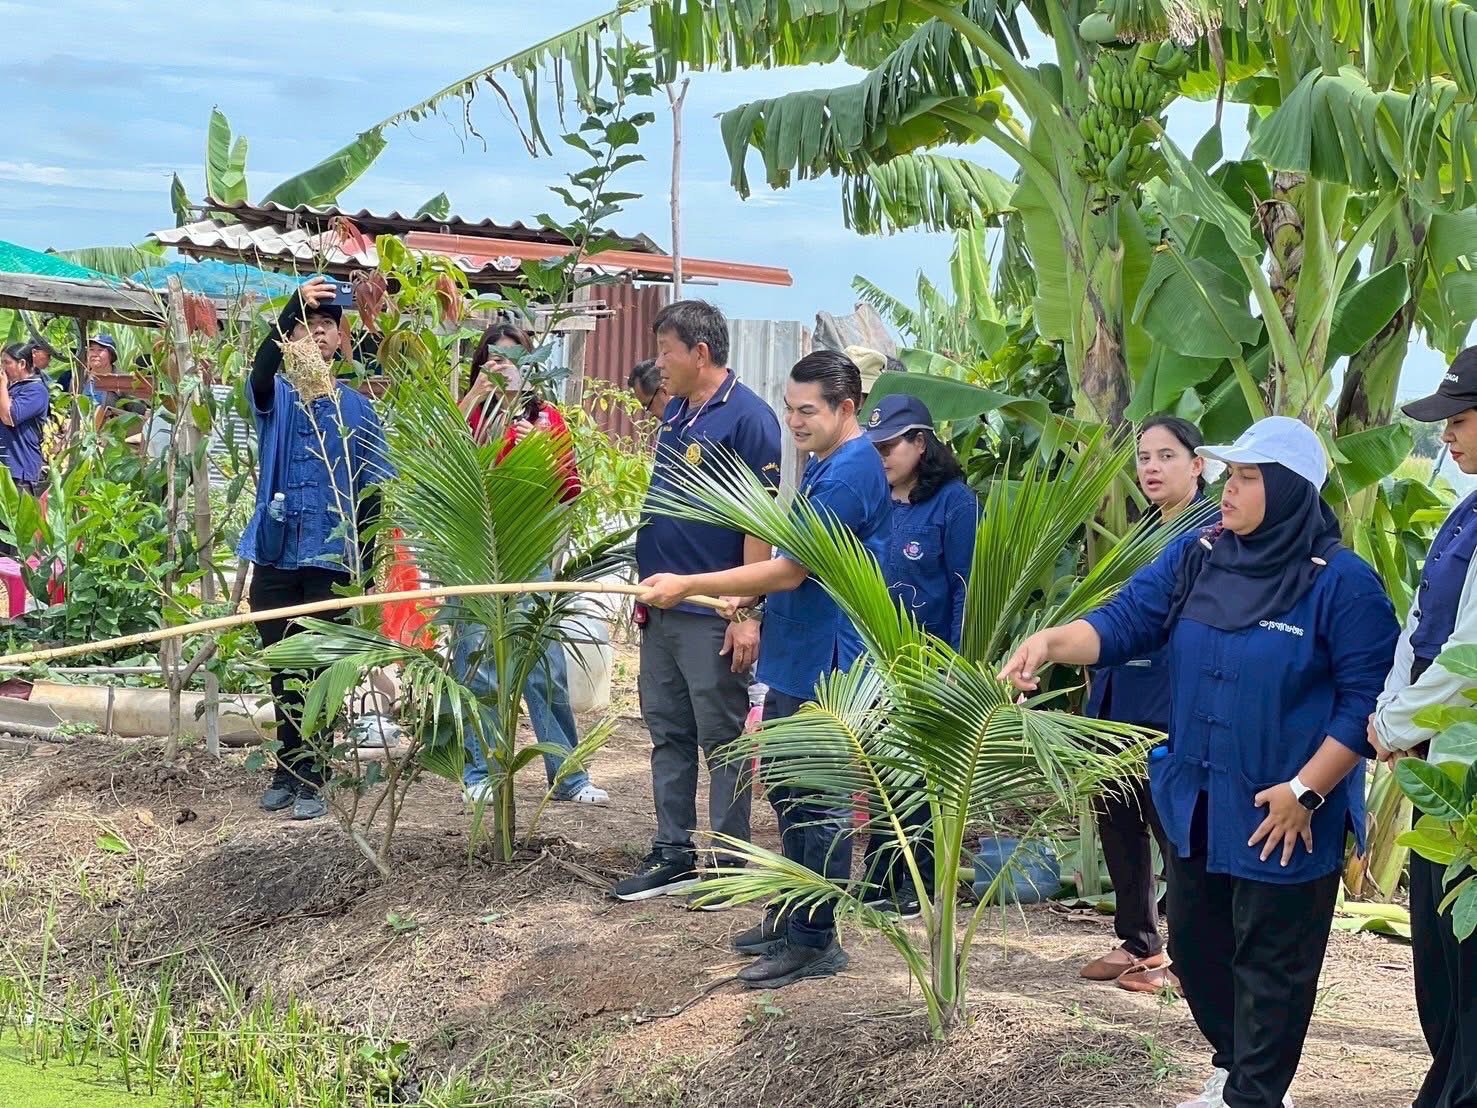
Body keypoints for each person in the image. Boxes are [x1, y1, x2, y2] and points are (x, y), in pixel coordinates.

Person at [1001, 416, 1398, 1108]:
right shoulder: (1198, 556)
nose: (1228, 489)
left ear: (1287, 490)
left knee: (1272, 962)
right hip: (1199, 799)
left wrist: (1306, 791)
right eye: (1229, 474)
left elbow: (1365, 702)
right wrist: (1049, 643)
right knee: (1194, 943)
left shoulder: (1342, 584)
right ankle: (1235, 1069)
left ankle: (1254, 1094)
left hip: (1284, 811)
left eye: (1245, 477)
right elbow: (1125, 622)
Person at [640, 349, 891, 989]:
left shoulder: (850, 473)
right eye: (789, 408)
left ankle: (815, 938)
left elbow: (791, 570)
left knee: (818, 802)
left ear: (846, 408)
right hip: (797, 654)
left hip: (831, 664)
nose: (794, 421)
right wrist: (746, 600)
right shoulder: (826, 463)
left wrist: (691, 583)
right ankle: (791, 913)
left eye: (807, 410)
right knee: (787, 791)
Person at [610, 301, 781, 902]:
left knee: (723, 739)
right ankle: (673, 852)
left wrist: (746, 611)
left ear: (699, 353)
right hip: (661, 607)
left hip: (712, 612)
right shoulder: (679, 413)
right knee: (668, 731)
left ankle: (731, 861)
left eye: (666, 352)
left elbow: (759, 525)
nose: (659, 365)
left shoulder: (749, 418)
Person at [239, 276, 393, 821]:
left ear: (340, 340)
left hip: (332, 561)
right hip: (276, 554)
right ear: (292, 339)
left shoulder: (358, 410)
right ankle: (289, 765)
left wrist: (365, 564)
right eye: (307, 326)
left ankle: (314, 772)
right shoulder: (278, 399)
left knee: (322, 667)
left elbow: (373, 491)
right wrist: (290, 308)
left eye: (327, 325)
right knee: (283, 666)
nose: (317, 333)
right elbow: (258, 374)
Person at [1371, 347, 1477, 1108]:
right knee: (1440, 952)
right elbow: (1421, 629)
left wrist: (1394, 721)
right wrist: (1393, 717)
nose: (1447, 436)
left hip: (1465, 769)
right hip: (1442, 766)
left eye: (1460, 420)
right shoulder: (1463, 514)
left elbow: (1469, 658)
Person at [1081, 415, 1216, 995]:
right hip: (1118, 695)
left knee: (1172, 826)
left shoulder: (1211, 533)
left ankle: (1191, 957)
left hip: (1171, 700)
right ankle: (1139, 940)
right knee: (1117, 818)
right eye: (1144, 458)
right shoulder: (1139, 533)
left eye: (1166, 456)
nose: (1151, 468)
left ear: (1198, 464)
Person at [454, 322, 607, 806]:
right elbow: (443, 458)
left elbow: (569, 489)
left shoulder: (546, 418)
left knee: (544, 664)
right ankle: (480, 772)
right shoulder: (467, 413)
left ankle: (568, 777)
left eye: (513, 358)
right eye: (493, 358)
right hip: (474, 551)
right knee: (476, 663)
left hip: (530, 551)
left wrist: (538, 448)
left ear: (531, 366)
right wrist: (475, 401)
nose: (502, 367)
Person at [857, 393, 979, 916]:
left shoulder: (955, 502)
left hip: (932, 664)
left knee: (923, 775)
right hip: (875, 661)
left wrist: (957, 666)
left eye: (889, 446)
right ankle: (880, 875)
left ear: (920, 443)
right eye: (874, 448)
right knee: (883, 772)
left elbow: (966, 589)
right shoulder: (874, 500)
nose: (880, 457)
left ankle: (920, 883)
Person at [0, 343, 50, 498]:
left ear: (22, 364)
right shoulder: (10, 389)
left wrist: (2, 384)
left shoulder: (36, 390)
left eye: (7, 363)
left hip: (20, 471)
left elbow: (9, 417)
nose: (3, 368)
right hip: (4, 468)